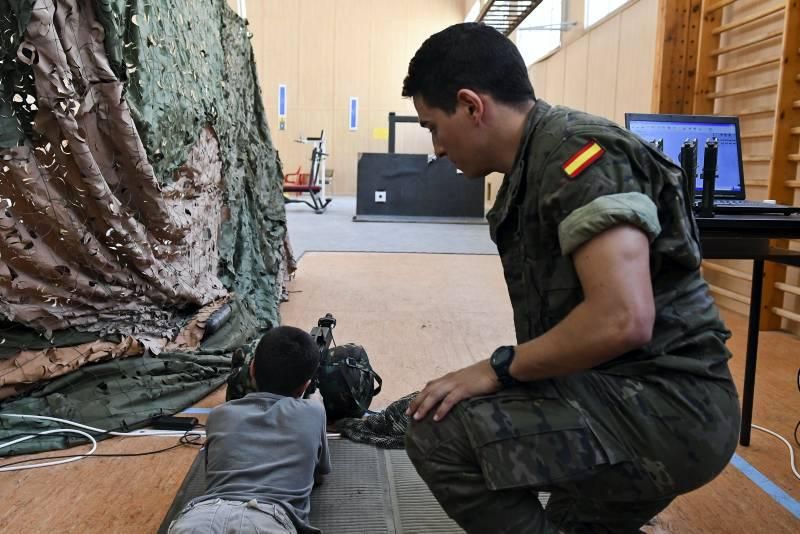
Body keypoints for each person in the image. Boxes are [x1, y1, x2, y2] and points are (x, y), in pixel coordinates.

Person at [402, 23, 740, 534]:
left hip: (670, 411)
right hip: (627, 396)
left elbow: (622, 318)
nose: (438, 148)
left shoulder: (577, 157)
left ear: (472, 106)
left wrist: (496, 370)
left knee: (436, 434)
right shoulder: (535, 160)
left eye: (432, 126)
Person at [168, 326, 331, 534]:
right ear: (305, 385)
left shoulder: (219, 414)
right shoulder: (314, 412)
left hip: (201, 516)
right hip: (267, 520)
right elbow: (320, 473)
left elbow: (214, 471)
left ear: (252, 369)